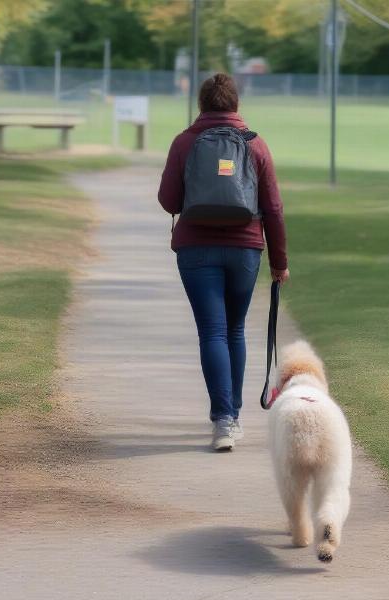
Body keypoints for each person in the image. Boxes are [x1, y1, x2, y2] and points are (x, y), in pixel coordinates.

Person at [158, 73, 289, 451]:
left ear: (201, 104)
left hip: (196, 250)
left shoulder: (185, 142)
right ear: (235, 104)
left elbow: (169, 200)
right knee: (234, 330)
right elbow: (274, 209)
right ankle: (233, 415)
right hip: (245, 250)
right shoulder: (256, 145)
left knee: (212, 333)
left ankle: (224, 421)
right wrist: (280, 263)